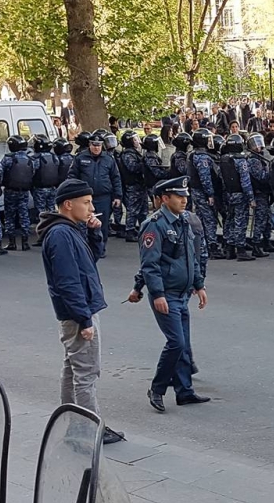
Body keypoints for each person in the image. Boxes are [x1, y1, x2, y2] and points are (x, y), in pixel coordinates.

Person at [40, 180, 122, 445]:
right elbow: (68, 281)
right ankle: (89, 430)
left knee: (73, 369)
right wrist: (84, 318)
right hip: (78, 312)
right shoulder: (60, 235)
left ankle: (73, 424)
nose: (92, 208)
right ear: (68, 204)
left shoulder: (69, 230)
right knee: (86, 373)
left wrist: (94, 232)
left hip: (79, 310)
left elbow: (90, 260)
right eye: (86, 203)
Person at [136, 177, 210, 412]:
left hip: (182, 293)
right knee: (176, 343)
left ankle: (185, 392)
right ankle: (157, 389)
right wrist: (157, 294)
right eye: (179, 196)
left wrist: (199, 285)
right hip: (166, 294)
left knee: (183, 344)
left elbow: (191, 258)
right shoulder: (154, 225)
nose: (184, 200)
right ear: (165, 199)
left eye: (185, 196)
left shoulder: (183, 221)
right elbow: (150, 265)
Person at [69, 134, 121, 259]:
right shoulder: (80, 158)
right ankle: (83, 249)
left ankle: (100, 249)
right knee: (82, 223)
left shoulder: (109, 159)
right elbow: (72, 176)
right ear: (89, 145)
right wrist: (73, 194)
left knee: (102, 224)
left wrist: (117, 196)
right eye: (94, 145)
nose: (96, 148)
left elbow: (116, 178)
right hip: (84, 197)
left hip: (103, 197)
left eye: (99, 145)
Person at [218, 134, 255, 260]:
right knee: (240, 221)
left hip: (228, 194)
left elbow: (221, 178)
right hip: (240, 194)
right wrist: (251, 198)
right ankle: (240, 250)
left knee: (230, 220)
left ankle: (229, 249)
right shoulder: (241, 160)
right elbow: (245, 181)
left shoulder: (223, 159)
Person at [3, 135, 38, 250]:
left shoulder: (8, 158)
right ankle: (25, 242)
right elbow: (33, 173)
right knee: (24, 215)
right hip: (24, 191)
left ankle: (12, 242)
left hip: (10, 191)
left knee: (10, 216)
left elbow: (1, 172)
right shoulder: (30, 159)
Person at [245, 134, 273, 257]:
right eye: (254, 145)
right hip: (259, 192)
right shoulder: (253, 160)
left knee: (267, 219)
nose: (258, 147)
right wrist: (271, 173)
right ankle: (256, 245)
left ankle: (267, 242)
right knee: (260, 220)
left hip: (264, 192)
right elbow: (261, 177)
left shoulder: (259, 158)